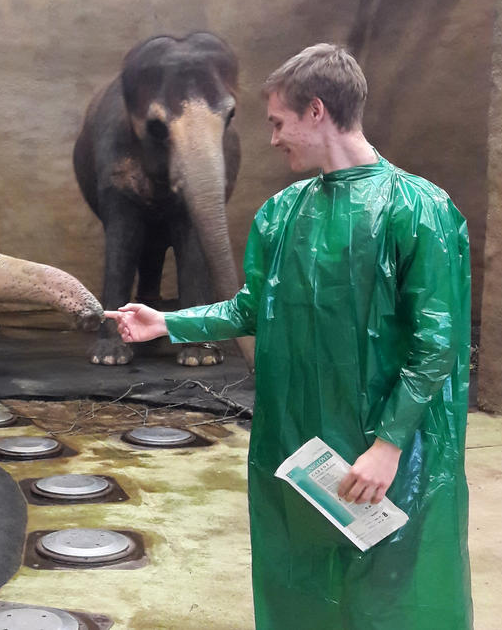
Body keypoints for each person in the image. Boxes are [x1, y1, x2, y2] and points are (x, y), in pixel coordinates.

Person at [104, 43, 472, 629]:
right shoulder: (282, 213)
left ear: (316, 111)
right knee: (300, 578)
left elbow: (437, 345)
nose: (272, 138)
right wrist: (168, 321)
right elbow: (254, 308)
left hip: (391, 452)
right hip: (301, 448)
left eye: (278, 122)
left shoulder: (419, 210)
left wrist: (389, 446)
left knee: (390, 589)